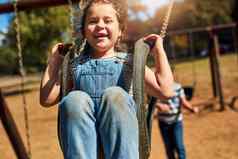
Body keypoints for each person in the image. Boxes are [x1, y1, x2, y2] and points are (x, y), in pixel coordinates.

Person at [39, 0, 174, 159]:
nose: (100, 25)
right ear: (84, 31)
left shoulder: (131, 63)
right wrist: (55, 61)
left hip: (122, 143)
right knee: (74, 99)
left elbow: (165, 91)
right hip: (88, 146)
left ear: (120, 31)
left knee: (114, 96)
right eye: (93, 21)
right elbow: (47, 99)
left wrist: (159, 50)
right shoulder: (75, 66)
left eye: (108, 20)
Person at [155, 81, 199, 159]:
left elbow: (183, 102)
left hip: (176, 122)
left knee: (179, 146)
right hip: (163, 122)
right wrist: (159, 105)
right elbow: (151, 102)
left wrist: (192, 109)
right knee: (169, 148)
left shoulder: (177, 87)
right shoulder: (156, 87)